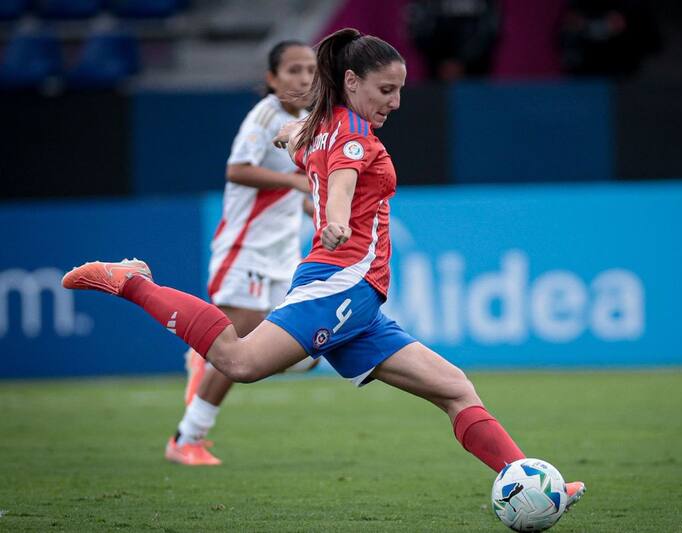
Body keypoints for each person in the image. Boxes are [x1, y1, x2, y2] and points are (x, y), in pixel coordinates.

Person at [62, 28, 585, 511]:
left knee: (455, 388)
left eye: (400, 90)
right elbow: (342, 182)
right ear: (353, 81)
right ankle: (130, 281)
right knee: (239, 362)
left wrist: (294, 139)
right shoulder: (352, 135)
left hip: (360, 301)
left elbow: (296, 137)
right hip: (339, 285)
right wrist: (333, 218)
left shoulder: (326, 123)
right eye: (386, 89)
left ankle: (533, 481)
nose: (395, 102)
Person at [166, 40, 318, 466]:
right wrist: (295, 184)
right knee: (240, 348)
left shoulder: (307, 121)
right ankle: (186, 438)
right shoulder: (266, 115)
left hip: (283, 252)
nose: (303, 78)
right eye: (292, 70)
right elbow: (237, 169)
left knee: (300, 348)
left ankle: (203, 351)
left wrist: (312, 207)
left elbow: (297, 191)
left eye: (309, 69)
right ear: (272, 78)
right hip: (245, 248)